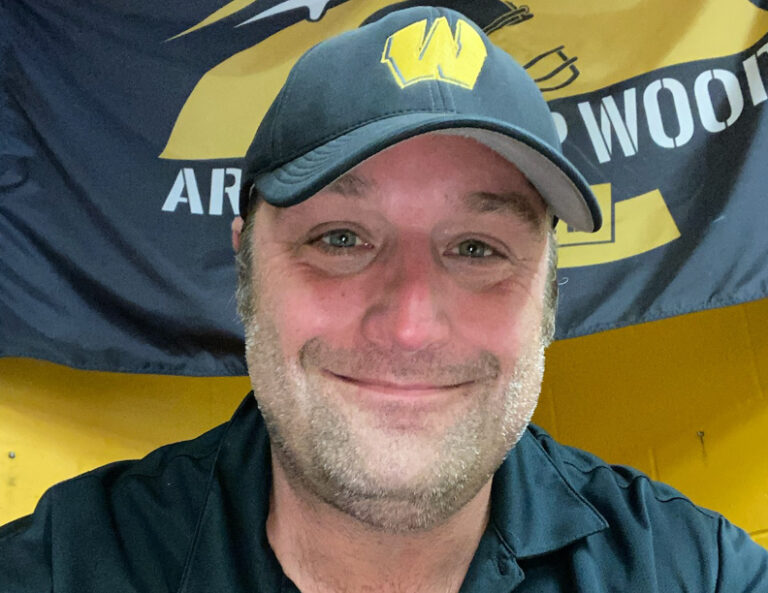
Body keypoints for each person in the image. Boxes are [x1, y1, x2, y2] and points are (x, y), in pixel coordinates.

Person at [1, 6, 766, 592]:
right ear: (246, 270)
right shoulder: (63, 567)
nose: (408, 326)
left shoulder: (695, 572)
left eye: (477, 248)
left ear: (549, 296)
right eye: (341, 239)